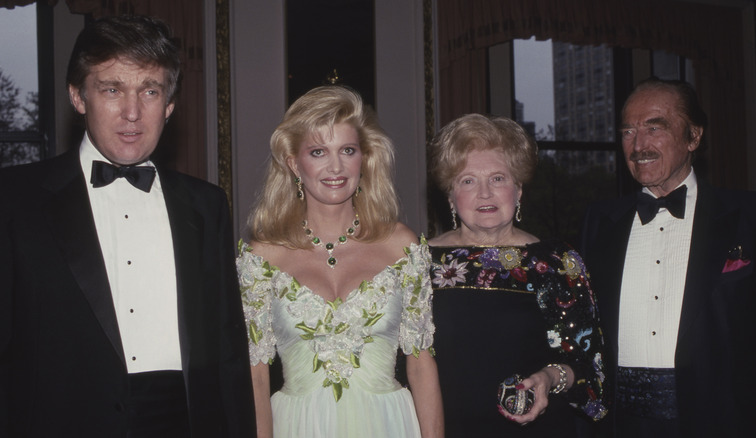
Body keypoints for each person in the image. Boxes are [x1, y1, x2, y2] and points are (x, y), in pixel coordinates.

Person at [0, 15, 255, 436]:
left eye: (149, 91)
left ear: (169, 106)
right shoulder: (16, 199)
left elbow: (228, 353)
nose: (132, 112)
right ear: (78, 97)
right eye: (112, 89)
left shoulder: (206, 205)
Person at [238, 85, 443, 438]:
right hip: (298, 427)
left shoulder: (402, 246)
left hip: (389, 424)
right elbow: (255, 375)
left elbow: (421, 365)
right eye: (318, 152)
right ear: (293, 163)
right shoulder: (262, 256)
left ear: (364, 157)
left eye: (347, 150)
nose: (336, 166)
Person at [580, 77, 756, 437]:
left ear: (693, 137)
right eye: (628, 131)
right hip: (619, 424)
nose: (639, 145)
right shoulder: (599, 221)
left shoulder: (754, 215)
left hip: (720, 420)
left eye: (654, 128)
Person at [427, 114, 607, 437]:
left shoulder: (556, 263)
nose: (485, 193)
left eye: (498, 178)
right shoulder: (419, 264)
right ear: (451, 196)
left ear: (519, 190)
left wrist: (551, 377)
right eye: (467, 180)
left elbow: (591, 371)